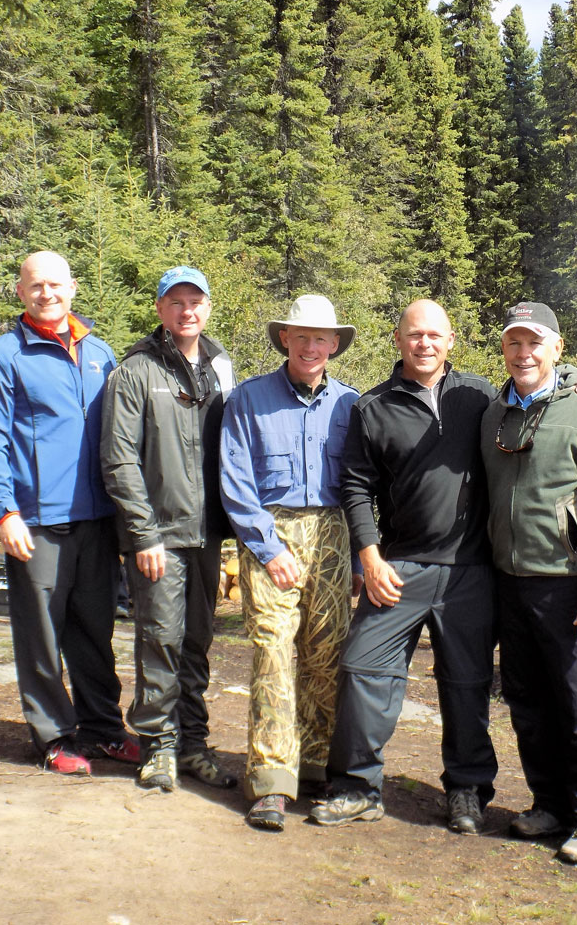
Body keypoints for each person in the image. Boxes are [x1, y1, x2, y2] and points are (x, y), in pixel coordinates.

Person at [310, 299, 498, 834]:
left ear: (452, 340)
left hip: (470, 570)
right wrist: (368, 555)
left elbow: (537, 408)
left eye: (435, 335)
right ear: (398, 339)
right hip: (398, 567)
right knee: (362, 667)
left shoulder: (480, 398)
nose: (425, 344)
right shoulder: (372, 408)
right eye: (415, 335)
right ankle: (355, 786)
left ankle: (466, 789)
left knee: (466, 682)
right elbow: (355, 485)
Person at [0, 250, 137, 776]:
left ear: (73, 288)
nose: (47, 293)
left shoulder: (101, 353)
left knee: (94, 632)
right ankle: (54, 736)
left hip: (97, 521)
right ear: (20, 291)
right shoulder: (2, 357)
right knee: (41, 634)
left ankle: (104, 731)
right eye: (36, 285)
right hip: (35, 522)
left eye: (56, 284)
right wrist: (6, 512)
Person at [481, 301, 577, 866]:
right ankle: (549, 804)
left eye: (535, 343)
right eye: (514, 343)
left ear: (556, 349)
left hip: (571, 587)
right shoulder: (495, 417)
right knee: (528, 701)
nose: (524, 354)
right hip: (510, 582)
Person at [219, 294, 359, 831]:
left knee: (326, 656)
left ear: (334, 345)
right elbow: (236, 481)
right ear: (285, 339)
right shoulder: (250, 399)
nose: (310, 346)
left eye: (320, 338)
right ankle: (272, 780)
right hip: (270, 534)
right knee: (272, 655)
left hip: (332, 536)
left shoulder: (350, 404)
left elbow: (359, 485)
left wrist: (356, 557)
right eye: (300, 336)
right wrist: (268, 548)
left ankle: (318, 765)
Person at [101, 266, 238, 792]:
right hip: (159, 534)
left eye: (196, 302)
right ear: (160, 309)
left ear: (207, 308)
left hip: (207, 533)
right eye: (176, 302)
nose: (187, 311)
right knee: (159, 638)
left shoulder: (221, 365)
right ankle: (157, 744)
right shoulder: (135, 371)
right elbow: (118, 460)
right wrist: (143, 534)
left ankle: (193, 745)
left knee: (198, 639)